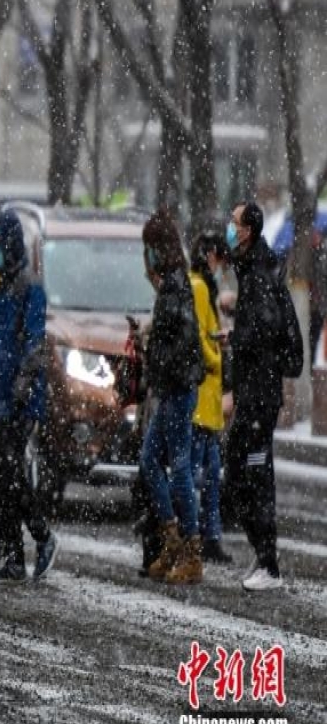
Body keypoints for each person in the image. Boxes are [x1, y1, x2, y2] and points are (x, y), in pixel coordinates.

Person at [225, 202, 302, 591]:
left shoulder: (258, 275)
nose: (229, 228)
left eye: (234, 223)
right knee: (246, 472)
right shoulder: (256, 269)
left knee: (251, 474)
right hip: (256, 392)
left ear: (248, 231)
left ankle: (268, 564)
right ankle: (264, 555)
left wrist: (238, 338)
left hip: (260, 395)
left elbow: (264, 329)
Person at [0, 209, 58, 583]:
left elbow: (34, 343)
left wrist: (20, 390)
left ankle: (41, 537)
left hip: (19, 400)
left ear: (10, 245)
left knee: (10, 474)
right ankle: (13, 554)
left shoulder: (30, 288)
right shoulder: (0, 288)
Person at [140, 209, 205, 584]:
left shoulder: (177, 287)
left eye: (148, 248)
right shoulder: (170, 286)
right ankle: (173, 540)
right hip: (170, 390)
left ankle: (191, 551)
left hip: (178, 390)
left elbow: (181, 345)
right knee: (150, 461)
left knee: (179, 467)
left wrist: (153, 352)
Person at [189, 232, 233, 564]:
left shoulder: (204, 287)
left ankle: (205, 536)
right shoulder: (200, 287)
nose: (220, 266)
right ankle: (201, 537)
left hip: (208, 399)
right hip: (202, 397)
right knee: (200, 473)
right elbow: (200, 337)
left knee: (207, 473)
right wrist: (217, 355)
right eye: (219, 258)